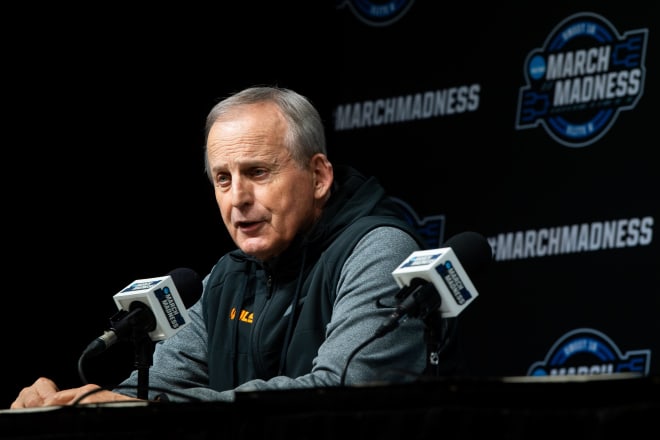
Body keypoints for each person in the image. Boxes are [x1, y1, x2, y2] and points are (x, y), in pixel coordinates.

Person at [10, 85, 428, 408]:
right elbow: (152, 393)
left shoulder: (379, 250)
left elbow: (342, 393)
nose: (237, 198)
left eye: (258, 172)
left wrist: (150, 406)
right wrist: (69, 404)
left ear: (318, 177)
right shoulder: (228, 277)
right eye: (223, 179)